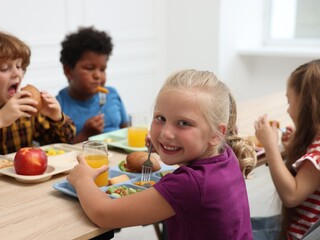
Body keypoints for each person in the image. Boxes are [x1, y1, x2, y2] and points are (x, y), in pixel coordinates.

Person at [67, 69, 257, 239]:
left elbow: (103, 214)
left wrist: (82, 180)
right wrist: (169, 148)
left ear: (216, 134)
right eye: (160, 118)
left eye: (183, 123)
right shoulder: (225, 153)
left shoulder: (189, 185)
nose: (166, 133)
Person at [0, 31, 76, 172]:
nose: (17, 73)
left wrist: (56, 118)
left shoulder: (26, 108)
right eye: (5, 68)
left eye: (19, 66)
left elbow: (66, 142)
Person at [254, 59, 320, 240]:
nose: (289, 110)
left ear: (307, 105)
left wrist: (270, 146)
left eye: (289, 102)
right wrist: (292, 149)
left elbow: (291, 195)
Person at [56, 26, 129, 143]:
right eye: (90, 68)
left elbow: (126, 129)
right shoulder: (58, 106)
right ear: (68, 71)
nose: (98, 75)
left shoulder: (112, 94)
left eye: (102, 69)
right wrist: (86, 134)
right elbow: (61, 151)